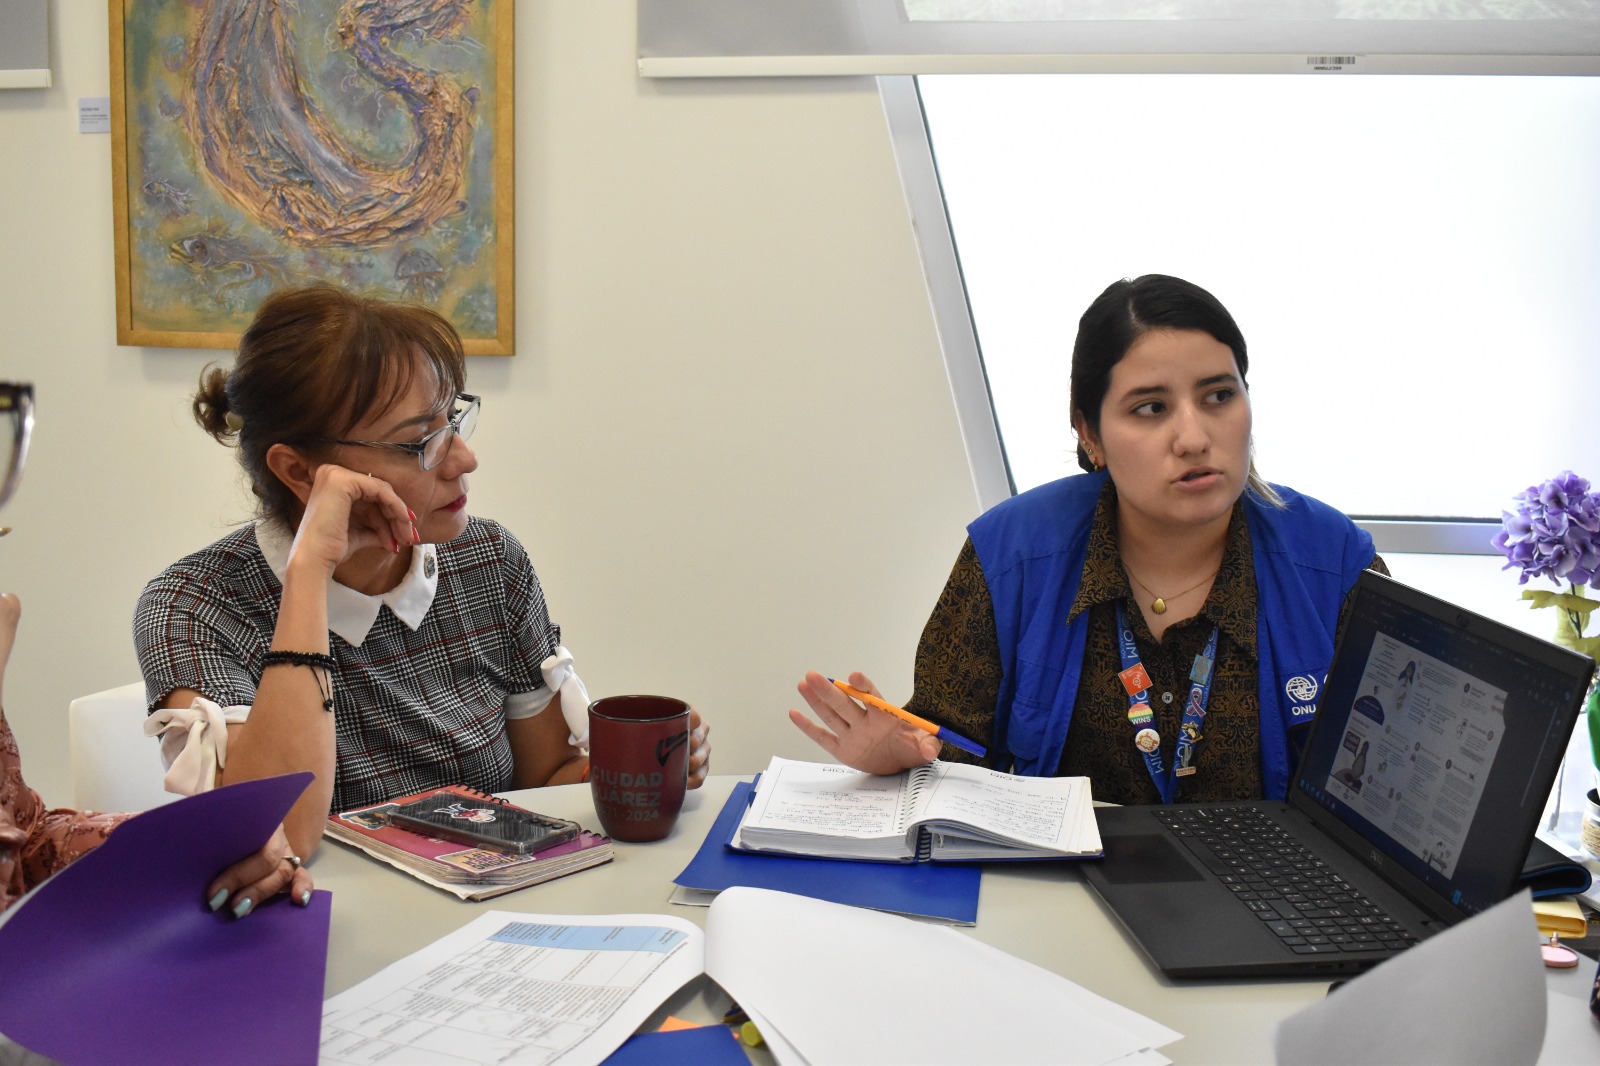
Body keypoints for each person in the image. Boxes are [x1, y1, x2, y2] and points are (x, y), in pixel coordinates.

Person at [134, 286, 711, 863]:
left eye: (452, 421)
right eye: (418, 444)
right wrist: (308, 572)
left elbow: (546, 776)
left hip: (492, 903)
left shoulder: (488, 560)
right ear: (299, 472)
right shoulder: (194, 605)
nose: (464, 459)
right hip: (332, 911)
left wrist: (637, 777)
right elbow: (279, 835)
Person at [790, 274, 1386, 805]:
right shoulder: (1011, 555)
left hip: (1273, 888)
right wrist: (898, 761)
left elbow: (1389, 785)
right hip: (1057, 885)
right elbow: (949, 748)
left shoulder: (1335, 562)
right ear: (1089, 433)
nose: (1193, 437)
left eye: (1218, 396)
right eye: (1151, 408)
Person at [0, 382, 308, 917]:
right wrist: (313, 572)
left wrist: (191, 850)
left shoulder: (471, 554)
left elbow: (25, 843)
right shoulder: (191, 600)